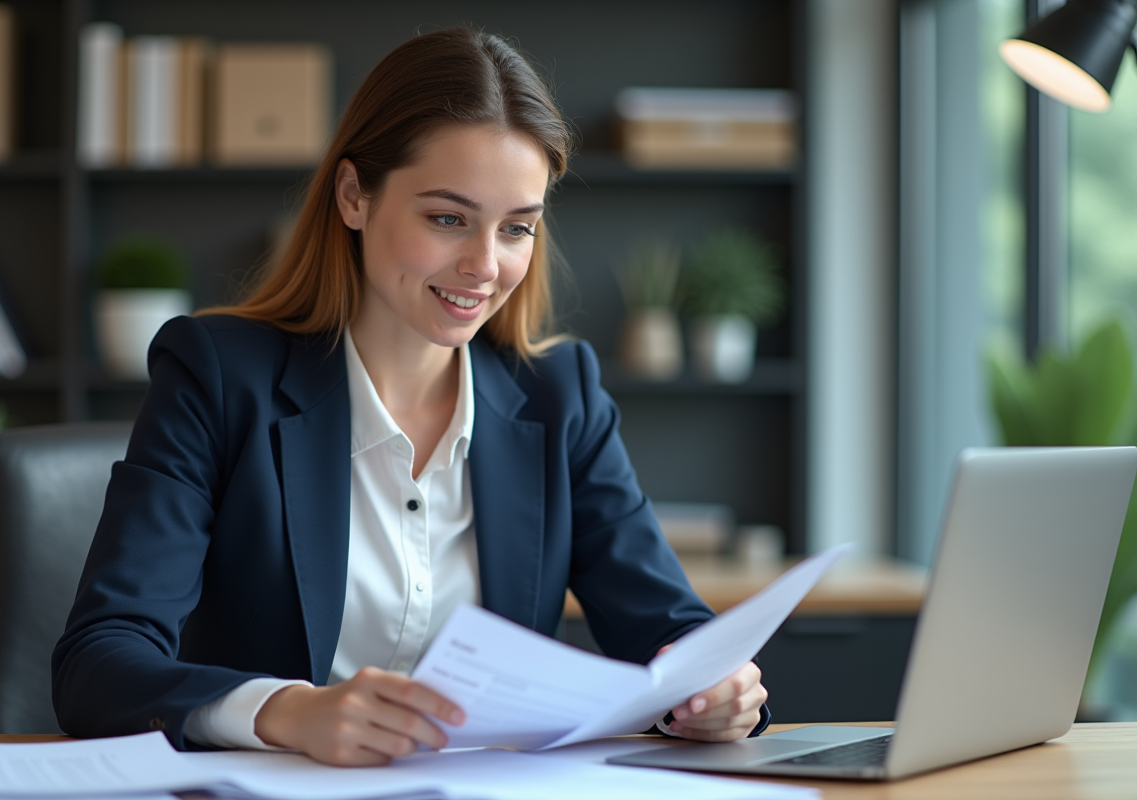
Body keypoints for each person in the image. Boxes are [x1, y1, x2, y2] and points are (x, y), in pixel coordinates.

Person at [52, 27, 769, 767]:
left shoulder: (559, 398)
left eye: (516, 228)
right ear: (354, 195)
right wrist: (286, 712)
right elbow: (98, 665)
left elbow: (669, 628)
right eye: (447, 218)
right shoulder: (218, 377)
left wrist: (716, 692)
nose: (485, 266)